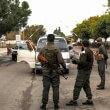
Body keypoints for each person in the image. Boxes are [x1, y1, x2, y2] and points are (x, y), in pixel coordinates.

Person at [37, 34, 67, 110]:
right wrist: (64, 68)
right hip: (55, 71)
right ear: (53, 39)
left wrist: (44, 62)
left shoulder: (44, 49)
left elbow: (38, 58)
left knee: (46, 88)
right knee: (55, 88)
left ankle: (44, 105)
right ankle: (56, 105)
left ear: (47, 39)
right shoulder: (56, 48)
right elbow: (61, 61)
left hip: (46, 71)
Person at [66, 40, 94, 106]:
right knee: (86, 85)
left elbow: (82, 62)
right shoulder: (89, 51)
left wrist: (74, 60)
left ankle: (74, 100)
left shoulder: (84, 52)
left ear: (82, 45)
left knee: (78, 85)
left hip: (83, 71)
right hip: (87, 71)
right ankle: (90, 100)